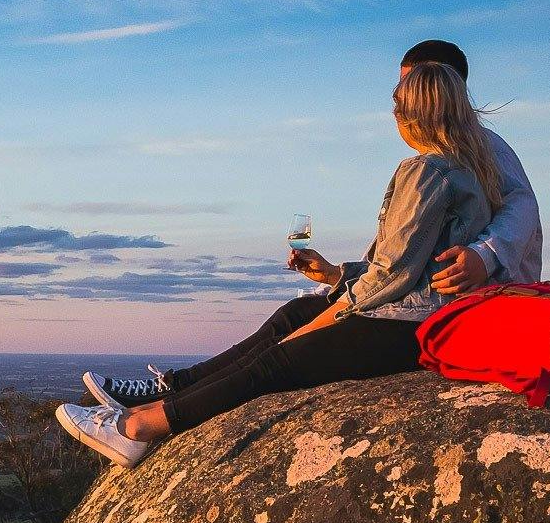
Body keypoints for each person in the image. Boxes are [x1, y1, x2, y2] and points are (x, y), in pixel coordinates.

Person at [57, 54, 520, 468]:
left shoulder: (425, 170)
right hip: (426, 314)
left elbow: (394, 275)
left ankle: (138, 428)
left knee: (279, 362)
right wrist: (339, 277)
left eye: (397, 107)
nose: (394, 116)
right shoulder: (471, 168)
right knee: (294, 314)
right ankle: (172, 389)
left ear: (413, 113)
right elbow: (412, 263)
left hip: (408, 324)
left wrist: (335, 313)